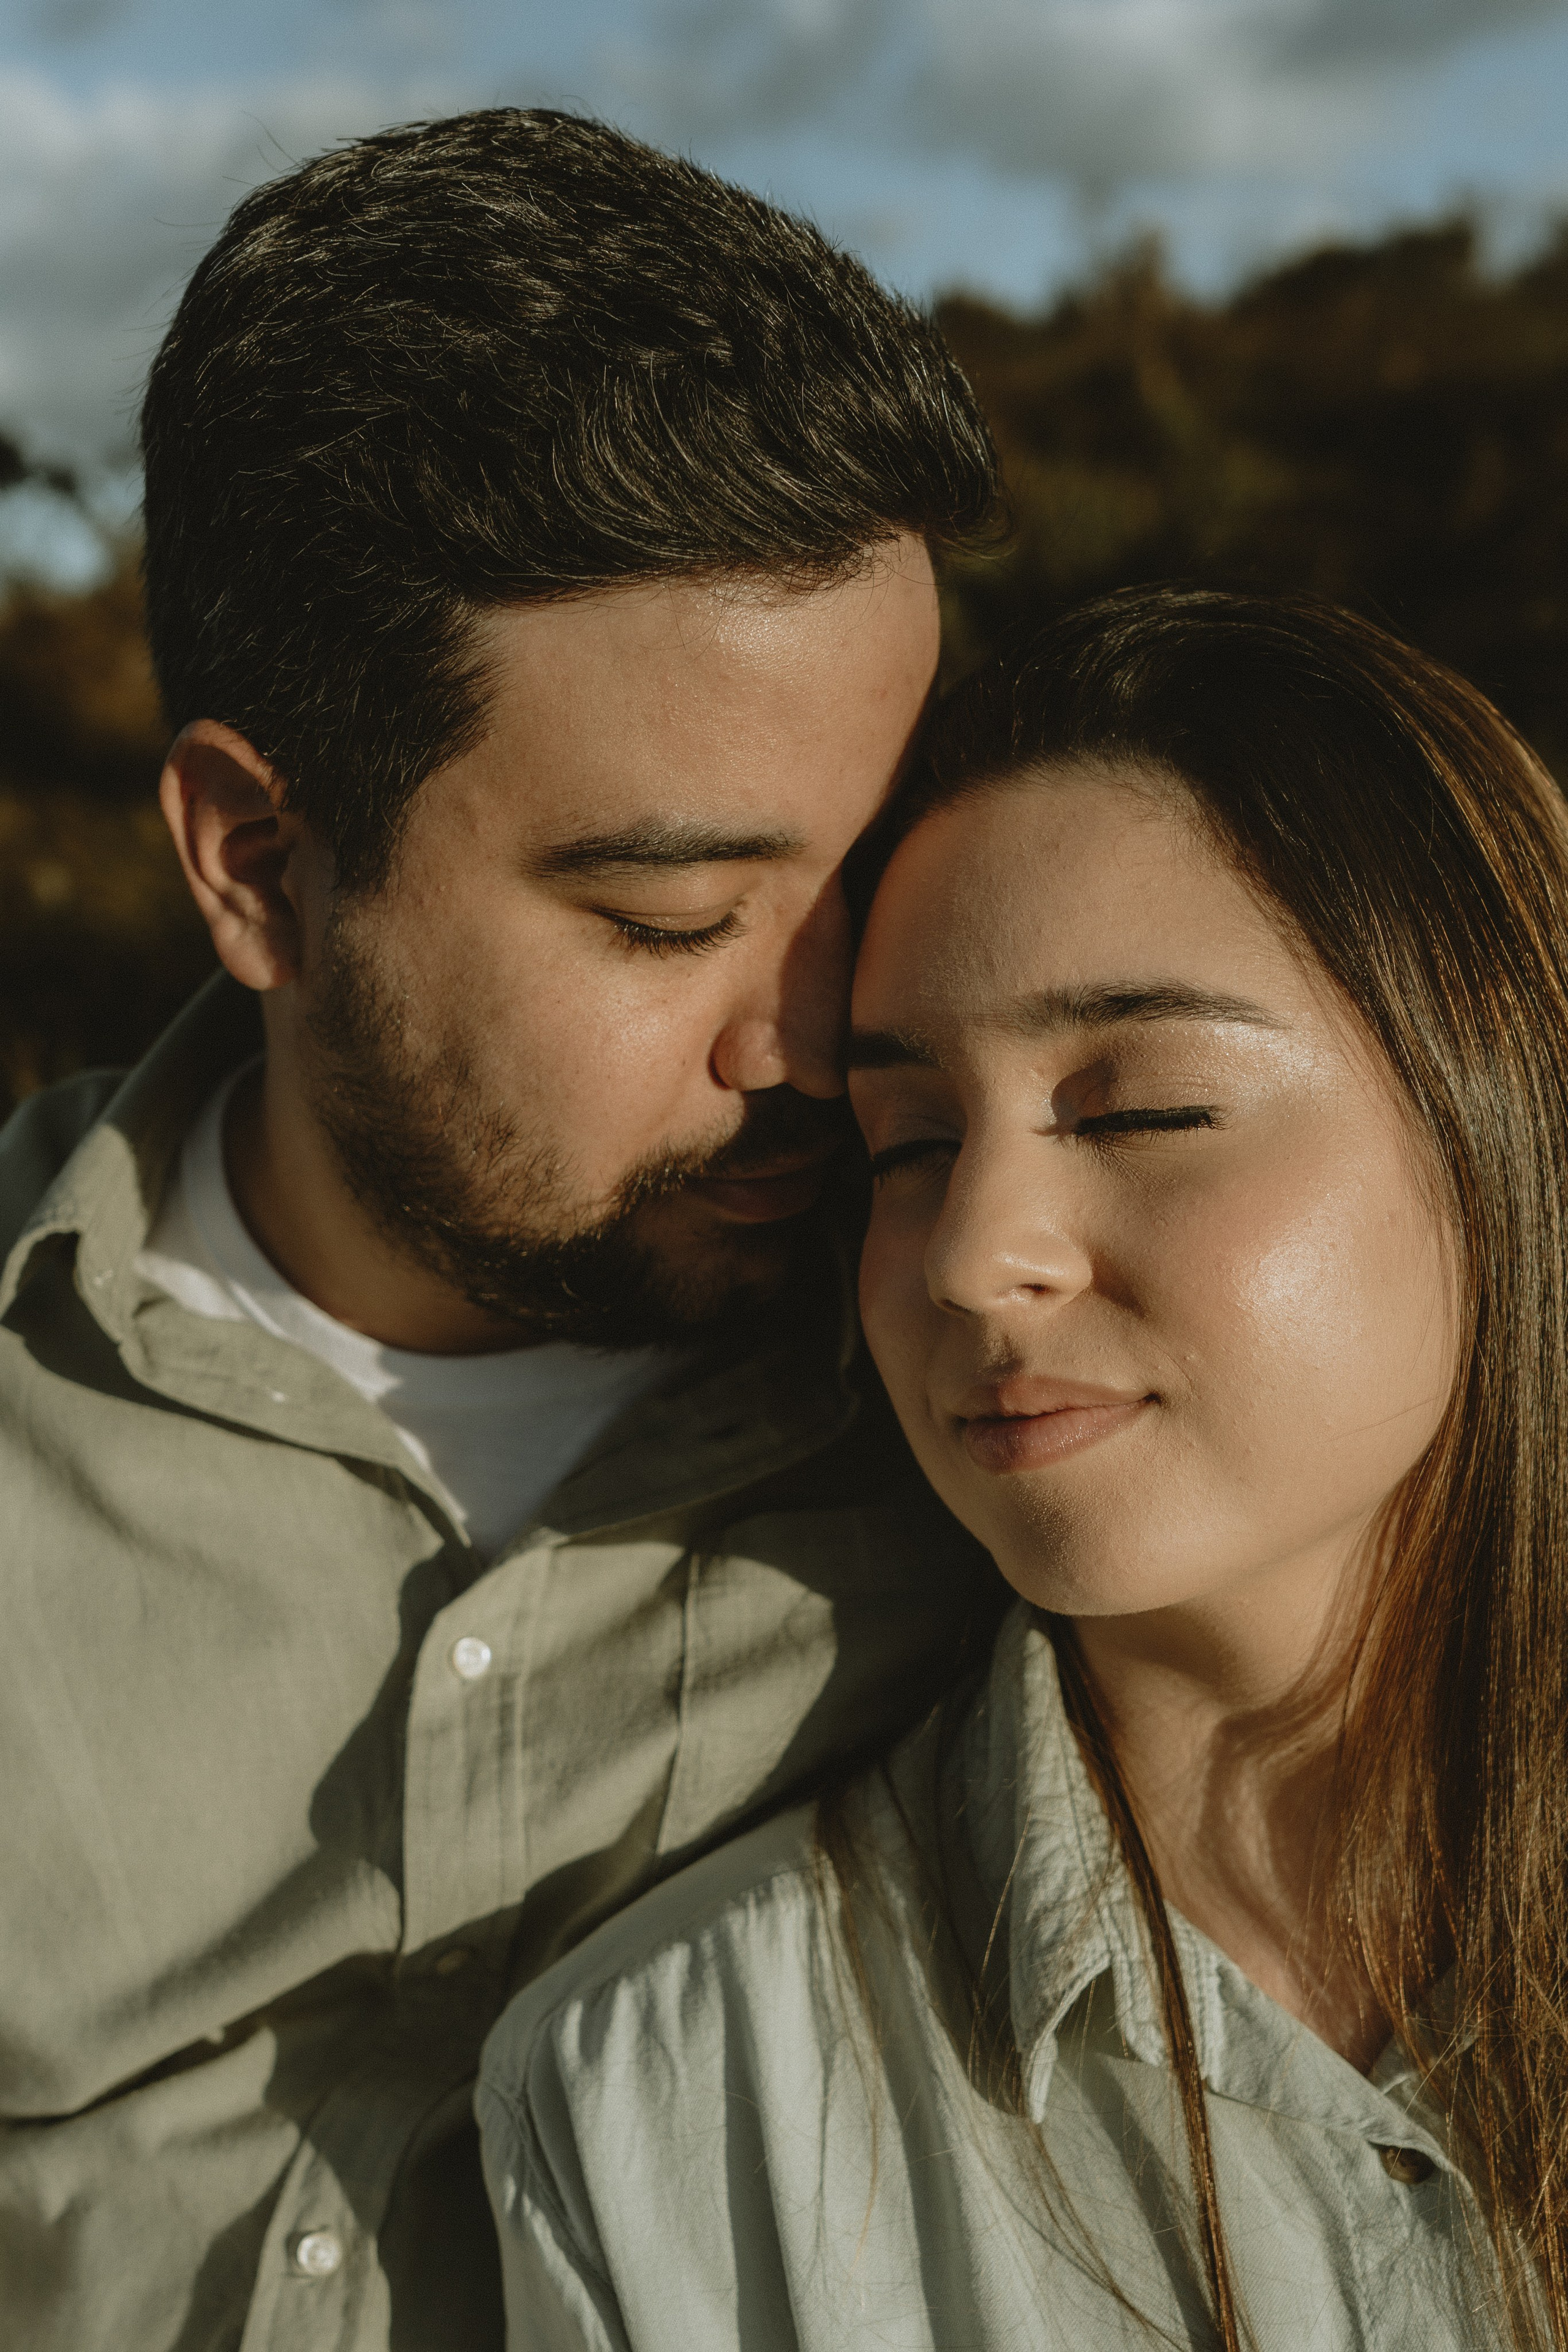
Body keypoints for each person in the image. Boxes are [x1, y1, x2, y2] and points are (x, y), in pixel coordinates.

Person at [0, 110, 1005, 2350]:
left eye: (869, 882)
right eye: (667, 918)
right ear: (259, 863)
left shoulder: (1024, 1400)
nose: (821, 1036)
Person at [479, 586, 1568, 2351]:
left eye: (1139, 1110)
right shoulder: (671, 2095)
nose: (974, 1254)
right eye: (907, 1141)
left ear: (1502, 1104)